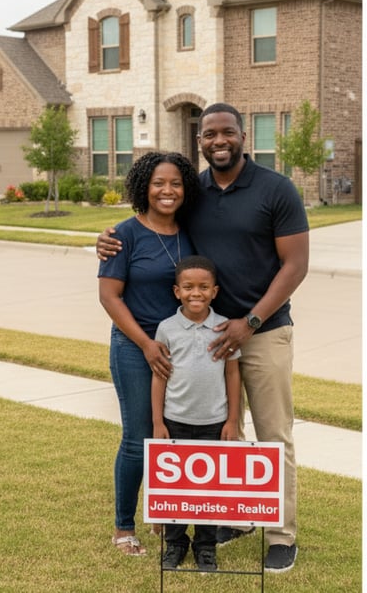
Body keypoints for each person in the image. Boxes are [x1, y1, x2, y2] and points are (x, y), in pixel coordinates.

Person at [98, 102, 309, 573]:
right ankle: (224, 521)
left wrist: (249, 322)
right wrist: (107, 238)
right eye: (209, 134)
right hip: (204, 338)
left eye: (227, 132)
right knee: (214, 433)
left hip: (263, 330)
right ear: (201, 142)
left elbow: (295, 265)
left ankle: (281, 537)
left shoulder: (277, 189)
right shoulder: (196, 192)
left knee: (273, 435)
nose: (218, 140)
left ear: (242, 135)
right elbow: (155, 215)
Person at [98, 151, 200, 557]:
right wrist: (145, 343)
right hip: (134, 347)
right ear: (144, 186)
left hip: (185, 349)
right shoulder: (124, 235)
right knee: (139, 438)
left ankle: (163, 513)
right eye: (159, 183)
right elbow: (109, 297)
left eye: (175, 183)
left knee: (174, 433)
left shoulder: (191, 233)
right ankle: (124, 527)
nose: (167, 190)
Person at [151, 255, 241, 572]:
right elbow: (159, 375)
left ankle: (205, 547)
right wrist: (158, 421)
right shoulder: (166, 329)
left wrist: (231, 420)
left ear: (214, 291)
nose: (196, 293)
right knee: (175, 489)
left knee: (207, 490)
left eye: (203, 287)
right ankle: (175, 544)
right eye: (188, 287)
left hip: (213, 423)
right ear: (177, 291)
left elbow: (232, 374)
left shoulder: (224, 327)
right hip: (175, 421)